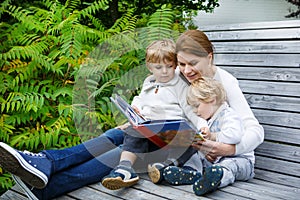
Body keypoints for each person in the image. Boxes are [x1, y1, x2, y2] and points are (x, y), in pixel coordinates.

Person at [0, 29, 264, 199]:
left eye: (191, 64)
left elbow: (255, 130)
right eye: (181, 64)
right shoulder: (177, 79)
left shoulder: (224, 81)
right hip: (167, 140)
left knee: (119, 151)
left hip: (187, 151)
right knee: (118, 133)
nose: (186, 70)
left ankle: (48, 176)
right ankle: (47, 169)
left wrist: (227, 148)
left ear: (209, 56)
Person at [101, 39, 206, 190]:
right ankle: (124, 168)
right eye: (158, 67)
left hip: (172, 136)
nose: (164, 71)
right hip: (151, 137)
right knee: (134, 130)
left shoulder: (179, 85)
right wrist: (135, 108)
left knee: (190, 141)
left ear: (175, 65)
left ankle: (165, 167)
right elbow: (140, 99)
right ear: (149, 67)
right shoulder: (148, 82)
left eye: (169, 66)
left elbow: (191, 110)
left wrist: (202, 126)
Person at [161, 77, 255, 196]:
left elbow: (234, 136)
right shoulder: (209, 120)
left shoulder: (228, 115)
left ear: (211, 100)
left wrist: (213, 136)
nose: (195, 111)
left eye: (196, 105)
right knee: (193, 152)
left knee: (229, 166)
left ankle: (217, 178)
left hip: (241, 162)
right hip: (215, 161)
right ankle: (192, 172)